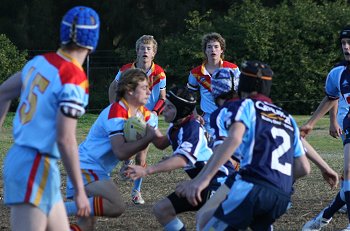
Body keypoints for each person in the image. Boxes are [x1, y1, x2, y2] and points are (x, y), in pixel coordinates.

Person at [184, 68, 339, 230]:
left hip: (252, 181)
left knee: (205, 221)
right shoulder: (282, 114)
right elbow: (303, 164)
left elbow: (227, 144)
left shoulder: (231, 110)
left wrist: (201, 181)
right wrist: (325, 167)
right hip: (281, 192)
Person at [0, 6, 100, 231]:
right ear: (92, 41)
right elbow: (65, 139)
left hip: (30, 161)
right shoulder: (74, 77)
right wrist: (80, 191)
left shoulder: (40, 62)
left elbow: (3, 93)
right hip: (35, 164)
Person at [125, 86, 237, 231]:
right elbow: (161, 143)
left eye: (170, 107)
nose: (164, 109)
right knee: (162, 210)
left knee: (207, 222)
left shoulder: (191, 128)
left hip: (219, 183)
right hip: (203, 182)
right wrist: (147, 127)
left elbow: (182, 159)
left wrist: (146, 171)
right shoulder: (177, 125)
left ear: (182, 111)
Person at [65, 68, 158, 231]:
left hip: (96, 169)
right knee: (116, 205)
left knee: (86, 226)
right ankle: (57, 210)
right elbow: (120, 152)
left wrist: (183, 124)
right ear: (129, 90)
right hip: (85, 167)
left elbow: (161, 141)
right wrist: (147, 138)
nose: (150, 92)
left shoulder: (144, 114)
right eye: (144, 87)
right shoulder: (117, 111)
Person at [301, 25, 350, 231]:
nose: (346, 47)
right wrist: (311, 123)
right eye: (343, 44)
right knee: (348, 172)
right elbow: (331, 97)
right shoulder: (338, 73)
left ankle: (325, 216)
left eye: (349, 43)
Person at [108, 35, 166, 204]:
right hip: (128, 113)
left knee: (142, 157)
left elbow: (163, 97)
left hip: (147, 116)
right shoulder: (126, 69)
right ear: (137, 51)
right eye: (142, 48)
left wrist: (154, 113)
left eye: (148, 49)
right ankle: (126, 162)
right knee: (123, 148)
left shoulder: (160, 73)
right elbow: (113, 87)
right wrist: (114, 106)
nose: (145, 51)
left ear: (154, 53)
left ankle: (136, 191)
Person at [186, 32, 240, 136]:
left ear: (222, 50)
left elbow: (241, 93)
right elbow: (189, 96)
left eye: (216, 46)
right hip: (208, 119)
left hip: (229, 116)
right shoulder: (195, 73)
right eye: (209, 47)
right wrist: (195, 115)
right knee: (212, 150)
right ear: (205, 51)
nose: (213, 50)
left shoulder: (233, 69)